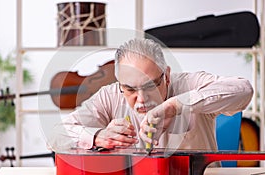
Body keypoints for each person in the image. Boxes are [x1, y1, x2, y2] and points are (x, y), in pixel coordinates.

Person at [51, 38, 253, 153]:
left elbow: (244, 90)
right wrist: (97, 137)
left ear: (166, 75)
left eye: (150, 87)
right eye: (129, 89)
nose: (141, 99)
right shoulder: (110, 95)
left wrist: (177, 105)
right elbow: (55, 135)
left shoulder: (189, 83)